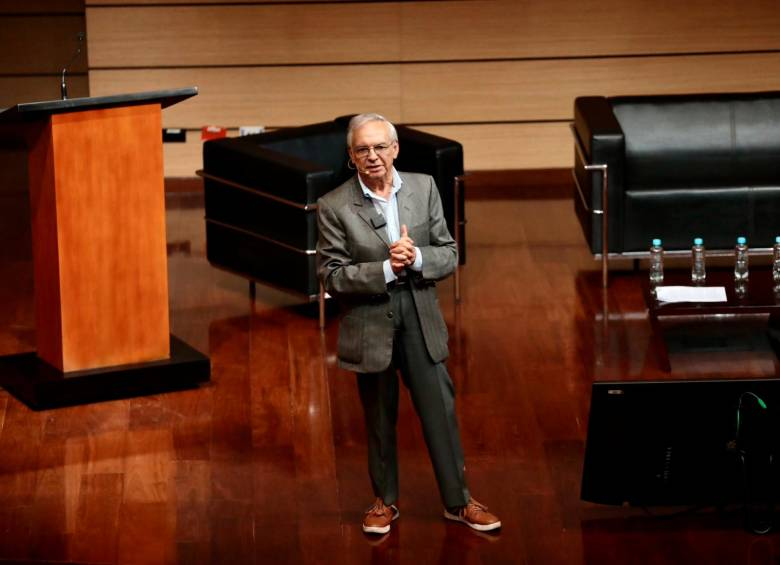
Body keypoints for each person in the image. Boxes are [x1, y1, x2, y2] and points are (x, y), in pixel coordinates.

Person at [316, 113, 500, 535]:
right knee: (379, 418)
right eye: (362, 149)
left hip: (420, 314)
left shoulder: (424, 187)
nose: (373, 156)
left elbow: (448, 253)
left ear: (395, 149)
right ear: (351, 157)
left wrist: (415, 258)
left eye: (380, 146)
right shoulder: (334, 205)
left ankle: (459, 502)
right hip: (370, 320)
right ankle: (384, 501)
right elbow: (332, 276)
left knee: (440, 411)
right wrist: (386, 268)